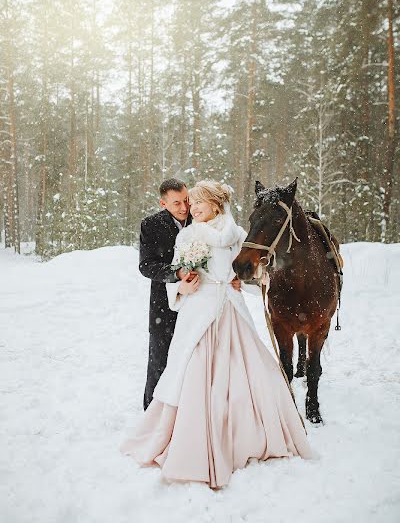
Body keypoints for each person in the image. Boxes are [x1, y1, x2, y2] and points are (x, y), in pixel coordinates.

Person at [122, 180, 313, 489]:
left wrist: (249, 279)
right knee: (194, 372)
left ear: (215, 205)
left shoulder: (236, 234)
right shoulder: (187, 235)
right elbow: (177, 273)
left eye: (198, 203)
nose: (191, 209)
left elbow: (252, 268)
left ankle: (249, 433)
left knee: (248, 371)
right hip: (199, 311)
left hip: (231, 309)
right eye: (189, 203)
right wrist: (182, 286)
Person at [139, 178, 192, 410]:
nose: (184, 208)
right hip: (164, 306)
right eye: (177, 203)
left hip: (197, 304)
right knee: (160, 361)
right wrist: (176, 273)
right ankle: (151, 412)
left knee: (192, 362)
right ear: (163, 203)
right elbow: (146, 265)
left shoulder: (201, 219)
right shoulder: (150, 225)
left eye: (187, 200)